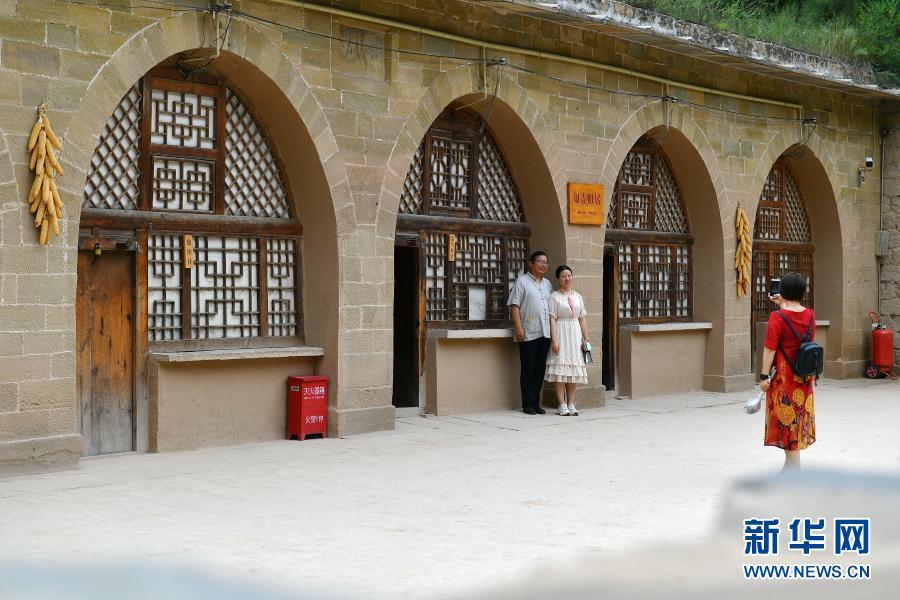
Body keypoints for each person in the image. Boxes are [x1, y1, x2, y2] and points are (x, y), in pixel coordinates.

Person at [758, 271, 816, 470]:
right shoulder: (810, 315)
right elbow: (796, 327)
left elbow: (770, 349)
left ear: (782, 291)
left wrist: (764, 376)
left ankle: (794, 470)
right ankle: (789, 468)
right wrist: (783, 304)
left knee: (787, 420)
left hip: (784, 378)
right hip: (804, 377)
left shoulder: (777, 317)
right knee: (796, 418)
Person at [508, 251, 552, 415]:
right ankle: (527, 404)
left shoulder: (547, 284)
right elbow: (514, 306)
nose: (543, 265)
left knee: (539, 369)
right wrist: (519, 328)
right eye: (540, 261)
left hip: (545, 332)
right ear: (531, 263)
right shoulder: (522, 281)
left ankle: (535, 403)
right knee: (528, 368)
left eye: (545, 262)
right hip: (528, 332)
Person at [545, 265, 589, 416]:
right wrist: (555, 340)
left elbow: (582, 319)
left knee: (572, 372)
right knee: (560, 371)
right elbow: (552, 319)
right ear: (558, 278)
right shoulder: (554, 297)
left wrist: (586, 339)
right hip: (561, 332)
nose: (567, 278)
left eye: (569, 275)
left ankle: (571, 403)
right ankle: (561, 404)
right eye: (563, 276)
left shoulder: (577, 296)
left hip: (575, 334)